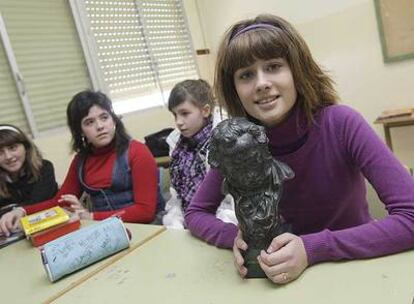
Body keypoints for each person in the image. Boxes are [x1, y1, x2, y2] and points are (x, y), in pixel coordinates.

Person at [185, 14, 414, 284]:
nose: (261, 83)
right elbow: (195, 214)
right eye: (246, 75)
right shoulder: (237, 142)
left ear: (296, 71)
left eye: (273, 66)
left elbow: (410, 217)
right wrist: (237, 238)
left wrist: (313, 248)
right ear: (234, 89)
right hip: (277, 284)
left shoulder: (341, 124)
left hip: (352, 271)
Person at [0, 91, 159, 236]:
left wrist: (90, 216)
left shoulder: (138, 152)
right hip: (107, 232)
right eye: (89, 122)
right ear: (80, 131)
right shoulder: (81, 160)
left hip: (148, 229)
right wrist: (21, 211)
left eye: (104, 117)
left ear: (114, 120)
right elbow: (59, 202)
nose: (100, 126)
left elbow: (145, 211)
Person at [163, 79, 236, 229]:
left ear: (205, 110)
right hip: (190, 221)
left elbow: (235, 199)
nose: (178, 122)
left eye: (184, 113)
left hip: (225, 219)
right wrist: (175, 221)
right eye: (175, 115)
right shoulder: (177, 145)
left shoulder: (229, 138)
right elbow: (177, 196)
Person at [0, 124, 58, 226]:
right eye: (0, 152)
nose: (8, 156)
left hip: (51, 224)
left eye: (13, 148)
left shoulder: (44, 168)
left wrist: (18, 211)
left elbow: (39, 201)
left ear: (26, 147)